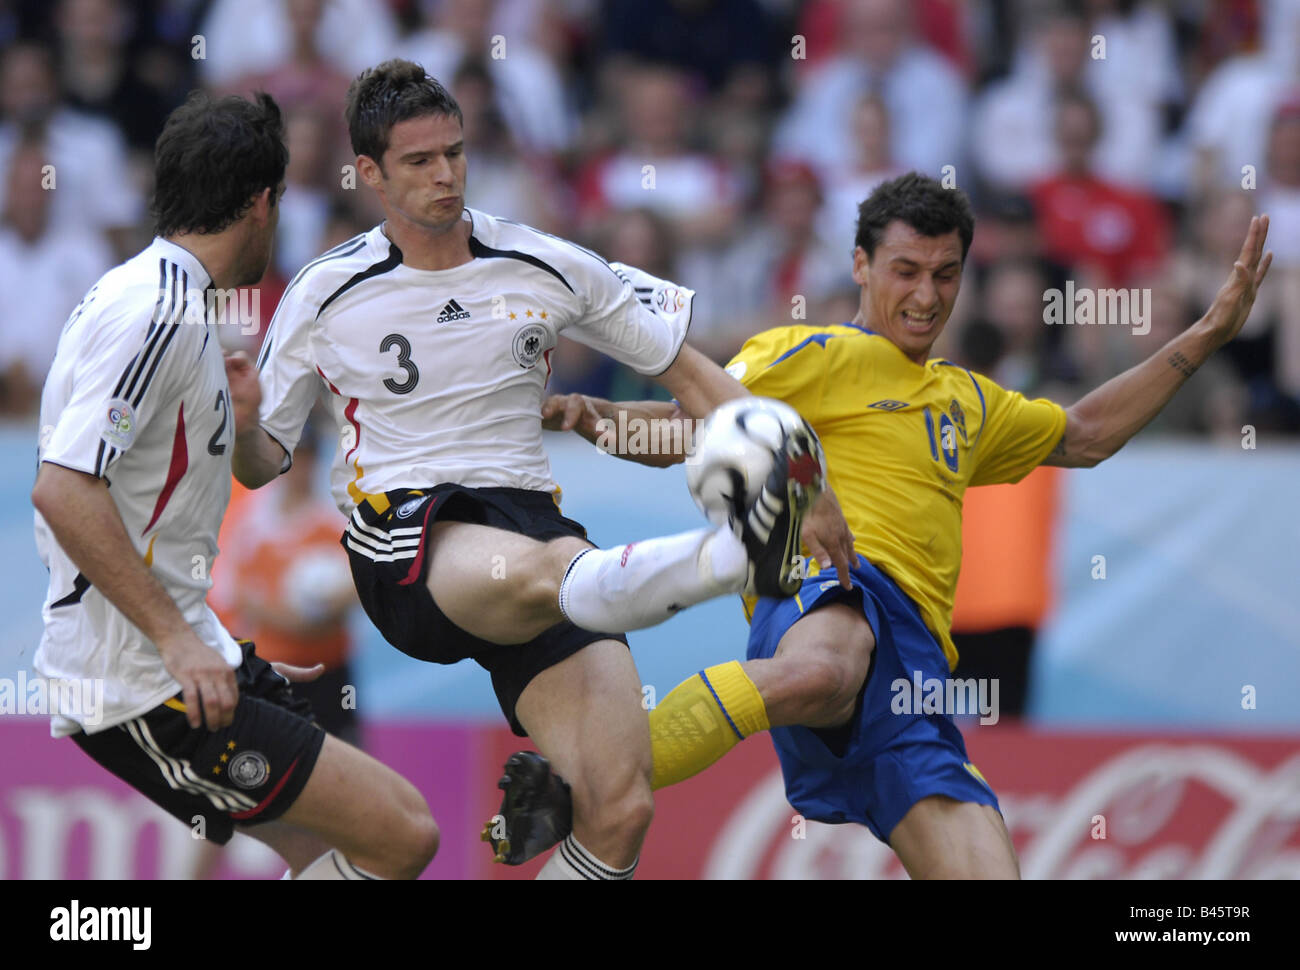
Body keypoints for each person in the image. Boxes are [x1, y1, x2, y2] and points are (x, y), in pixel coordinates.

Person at [516, 172, 1273, 878]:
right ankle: (582, 777)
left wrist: (1206, 334)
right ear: (861, 265)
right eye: (905, 270)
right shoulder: (811, 352)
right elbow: (693, 425)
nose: (925, 294)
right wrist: (597, 417)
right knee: (825, 668)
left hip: (916, 686)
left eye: (945, 274)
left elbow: (1086, 435)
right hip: (831, 586)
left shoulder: (972, 402)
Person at [228, 59, 854, 881]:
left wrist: (803, 480)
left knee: (619, 805)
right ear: (371, 173)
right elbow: (261, 465)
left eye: (454, 152)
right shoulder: (325, 289)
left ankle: (730, 548)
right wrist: (240, 423)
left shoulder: (547, 262)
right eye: (419, 162)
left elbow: (698, 380)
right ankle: (733, 553)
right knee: (555, 566)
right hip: (406, 534)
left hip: (531, 524)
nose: (445, 174)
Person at [31, 90, 438, 880]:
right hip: (139, 679)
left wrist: (243, 422)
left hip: (185, 655)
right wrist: (180, 642)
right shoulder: (156, 313)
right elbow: (63, 490)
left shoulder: (182, 306)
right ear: (262, 204)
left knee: (336, 851)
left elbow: (246, 469)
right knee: (404, 833)